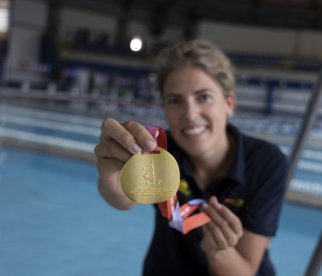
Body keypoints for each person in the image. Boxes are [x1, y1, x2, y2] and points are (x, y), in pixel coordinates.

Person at [94, 39, 287, 276]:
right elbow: (122, 201)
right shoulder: (157, 151)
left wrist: (219, 252)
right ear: (164, 107)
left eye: (204, 97)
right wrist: (112, 174)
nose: (190, 114)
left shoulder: (265, 163)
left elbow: (245, 271)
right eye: (175, 101)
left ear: (229, 103)